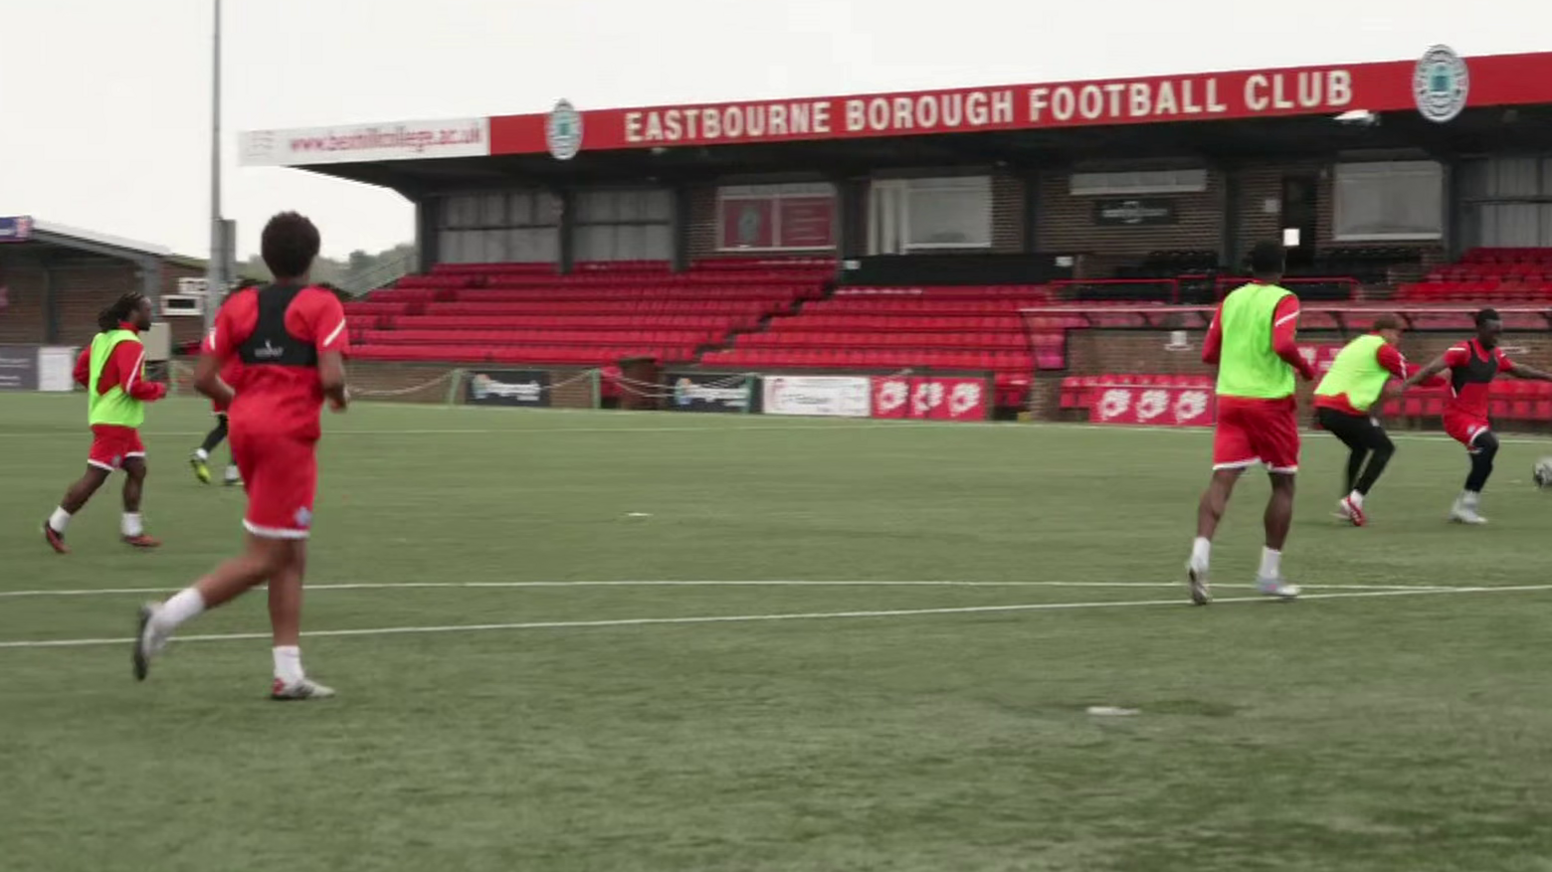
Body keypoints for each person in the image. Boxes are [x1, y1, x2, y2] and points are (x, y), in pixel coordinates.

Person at [133, 212, 350, 700]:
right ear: (312, 258)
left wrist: (248, 407)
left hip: (246, 433)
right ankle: (164, 618)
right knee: (267, 556)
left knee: (291, 550)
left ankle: (288, 673)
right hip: (287, 437)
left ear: (268, 257)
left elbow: (205, 377)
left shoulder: (239, 305)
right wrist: (338, 400)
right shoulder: (323, 305)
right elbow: (333, 378)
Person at [1186, 240, 1315, 605]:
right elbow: (1282, 344)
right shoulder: (1284, 299)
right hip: (1269, 402)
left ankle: (1200, 555)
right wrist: (1305, 369)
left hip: (1230, 400)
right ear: (1282, 268)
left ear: (1250, 268)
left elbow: (1209, 353)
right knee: (1284, 484)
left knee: (1221, 480)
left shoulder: (1230, 300)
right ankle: (1268, 575)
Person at [1401, 308, 1552, 524]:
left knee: (1484, 462)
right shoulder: (1463, 350)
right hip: (1457, 417)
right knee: (1489, 444)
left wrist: (1548, 376)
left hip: (1478, 419)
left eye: (1499, 331)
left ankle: (1462, 506)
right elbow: (1433, 367)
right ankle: (1467, 506)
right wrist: (1407, 384)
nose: (1496, 336)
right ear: (1480, 329)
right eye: (1493, 331)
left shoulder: (1496, 355)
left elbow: (1520, 369)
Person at [43, 293, 167, 553]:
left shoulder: (102, 338)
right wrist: (157, 389)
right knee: (95, 476)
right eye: (147, 309)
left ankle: (132, 531)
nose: (150, 315)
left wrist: (103, 395)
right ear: (134, 312)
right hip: (115, 423)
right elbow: (133, 386)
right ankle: (55, 525)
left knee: (137, 469)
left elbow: (80, 373)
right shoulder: (130, 343)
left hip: (116, 420)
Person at [1312, 314, 1441, 526]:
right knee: (1385, 448)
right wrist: (1442, 377)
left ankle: (1348, 501)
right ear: (1386, 331)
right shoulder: (1382, 348)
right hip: (1345, 407)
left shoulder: (1358, 343)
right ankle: (1354, 499)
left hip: (1324, 407)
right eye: (1397, 334)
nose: (1397, 339)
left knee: (1360, 448)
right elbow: (1410, 373)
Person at [190, 279, 261, 487]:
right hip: (238, 375)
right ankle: (232, 472)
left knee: (226, 425)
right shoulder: (246, 316)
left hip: (219, 375)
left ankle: (202, 455)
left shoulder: (223, 315)